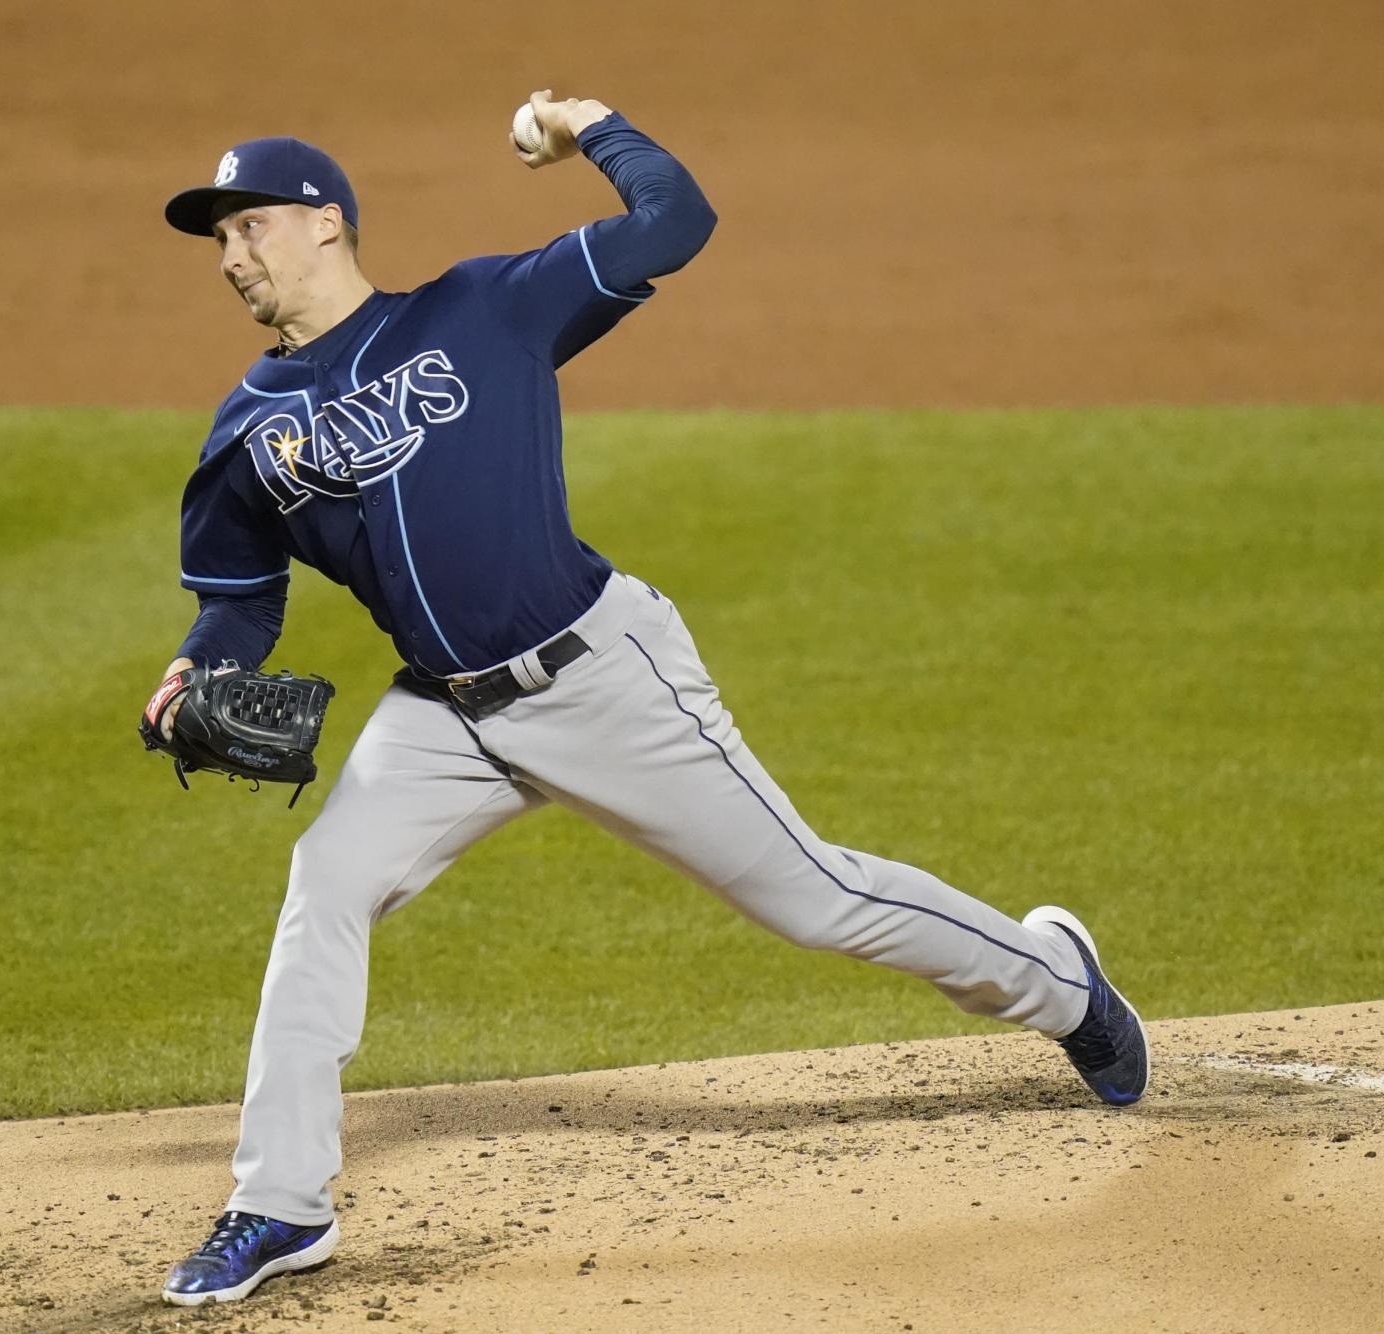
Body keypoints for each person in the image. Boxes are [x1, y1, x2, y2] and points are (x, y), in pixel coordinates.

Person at [145, 91, 1148, 1307]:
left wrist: (594, 125)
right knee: (324, 884)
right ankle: (279, 1202)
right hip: (445, 714)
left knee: (816, 897)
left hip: (600, 674)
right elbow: (239, 599)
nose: (230, 255)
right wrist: (202, 667)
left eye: (247, 225)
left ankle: (1058, 978)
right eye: (217, 238)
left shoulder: (483, 307)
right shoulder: (248, 434)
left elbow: (677, 220)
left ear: (323, 223)